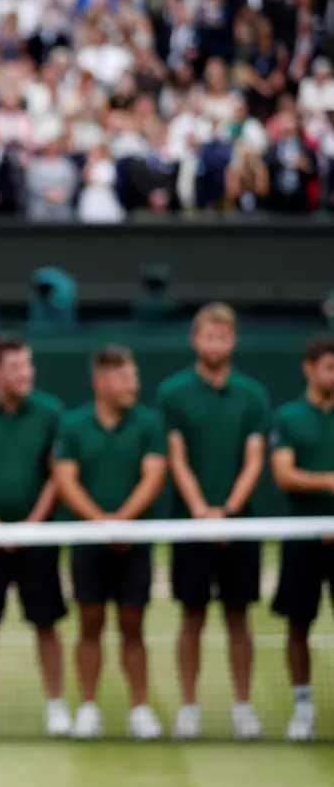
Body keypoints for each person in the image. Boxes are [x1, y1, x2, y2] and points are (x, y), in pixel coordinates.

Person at [156, 302, 269, 740]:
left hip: (239, 527)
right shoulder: (172, 393)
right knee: (192, 617)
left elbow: (254, 458)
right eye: (208, 336)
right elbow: (177, 458)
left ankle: (243, 706)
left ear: (233, 340)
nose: (215, 343)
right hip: (191, 526)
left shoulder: (253, 395)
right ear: (195, 339)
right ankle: (189, 707)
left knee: (239, 618)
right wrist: (202, 512)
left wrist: (229, 513)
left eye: (223, 336)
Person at [0, 334, 69, 737]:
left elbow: (57, 475)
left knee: (46, 623)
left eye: (28, 365)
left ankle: (56, 705)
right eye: (17, 367)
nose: (26, 374)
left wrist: (32, 526)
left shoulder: (51, 412)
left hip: (36, 539)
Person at [52, 346, 167, 740]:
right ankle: (87, 708)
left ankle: (139, 708)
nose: (132, 384)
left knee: (133, 626)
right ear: (100, 382)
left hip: (134, 543)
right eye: (123, 377)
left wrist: (121, 523)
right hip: (88, 543)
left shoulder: (150, 422)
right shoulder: (72, 424)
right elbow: (65, 479)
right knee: (90, 624)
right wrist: (100, 524)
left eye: (134, 376)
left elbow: (153, 476)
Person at [268, 335, 334, 741]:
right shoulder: (287, 417)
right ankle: (303, 705)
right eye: (328, 366)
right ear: (309, 368)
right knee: (298, 625)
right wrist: (328, 480)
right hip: (302, 537)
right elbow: (283, 474)